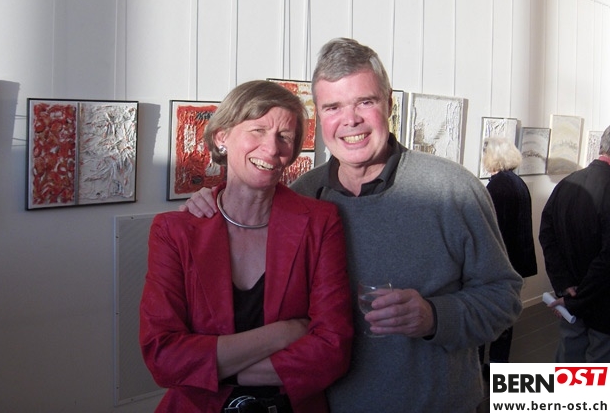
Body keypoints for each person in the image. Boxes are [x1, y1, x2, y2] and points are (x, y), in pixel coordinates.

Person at [183, 38, 523, 412]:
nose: (351, 120)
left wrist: (433, 316)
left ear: (389, 104)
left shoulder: (452, 189)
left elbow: (503, 297)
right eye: (333, 107)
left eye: (365, 102)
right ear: (319, 116)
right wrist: (211, 200)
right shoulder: (303, 196)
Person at [140, 80, 353, 413]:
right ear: (222, 137)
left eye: (285, 137)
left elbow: (332, 350)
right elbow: (163, 357)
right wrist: (283, 333)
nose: (271, 148)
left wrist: (210, 370)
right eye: (258, 130)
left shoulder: (320, 222)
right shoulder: (174, 231)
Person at [539, 124, 610, 362]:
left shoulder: (567, 184)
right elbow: (607, 259)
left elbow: (547, 236)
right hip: (602, 305)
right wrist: (578, 296)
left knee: (569, 362)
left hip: (571, 298)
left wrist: (565, 285)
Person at [479, 137, 537, 370]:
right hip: (515, 262)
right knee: (505, 315)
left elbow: (492, 232)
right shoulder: (518, 183)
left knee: (485, 314)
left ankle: (480, 365)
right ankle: (499, 365)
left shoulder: (497, 187)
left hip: (498, 264)